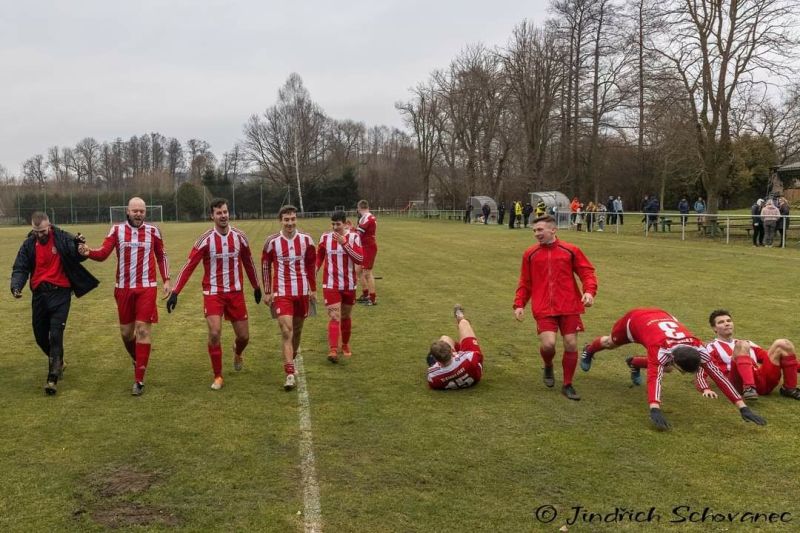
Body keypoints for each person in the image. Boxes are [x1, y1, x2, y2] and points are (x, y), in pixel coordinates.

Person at [580, 307, 766, 430]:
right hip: (636, 320)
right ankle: (589, 349)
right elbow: (654, 378)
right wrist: (655, 408)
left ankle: (634, 363)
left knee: (666, 367)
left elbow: (718, 376)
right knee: (610, 342)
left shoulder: (698, 347)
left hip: (663, 316)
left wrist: (742, 407)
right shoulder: (659, 349)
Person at [167, 198, 261, 390]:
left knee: (244, 337)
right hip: (213, 293)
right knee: (215, 332)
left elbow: (249, 263)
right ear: (212, 216)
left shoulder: (240, 237)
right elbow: (189, 266)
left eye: (225, 212)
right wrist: (176, 292)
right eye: (219, 213)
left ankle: (237, 352)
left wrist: (256, 286)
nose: (223, 215)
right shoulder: (205, 240)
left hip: (235, 293)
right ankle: (218, 376)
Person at [79, 197, 170, 396]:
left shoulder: (153, 231)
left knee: (142, 330)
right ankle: (137, 359)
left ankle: (139, 380)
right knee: (127, 334)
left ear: (145, 213)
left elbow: (161, 255)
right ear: (127, 212)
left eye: (142, 211)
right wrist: (88, 252)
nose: (138, 214)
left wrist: (167, 280)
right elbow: (103, 253)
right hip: (123, 289)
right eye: (135, 210)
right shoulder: (117, 230)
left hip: (147, 287)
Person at [10, 212, 99, 395]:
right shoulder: (28, 245)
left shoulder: (62, 237)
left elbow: (76, 252)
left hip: (61, 294)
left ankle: (52, 379)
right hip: (39, 296)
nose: (39, 235)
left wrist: (80, 247)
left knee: (56, 335)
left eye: (42, 231)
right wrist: (16, 286)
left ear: (49, 226)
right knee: (40, 336)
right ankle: (59, 360)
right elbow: (20, 267)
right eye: (36, 232)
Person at [513, 215, 597, 400]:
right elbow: (525, 282)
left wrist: (589, 292)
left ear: (553, 230)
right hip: (543, 307)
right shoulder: (530, 254)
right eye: (534, 231)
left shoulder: (571, 250)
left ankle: (567, 384)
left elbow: (586, 272)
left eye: (540, 230)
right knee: (548, 344)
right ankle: (548, 364)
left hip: (569, 305)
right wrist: (519, 304)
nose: (536, 234)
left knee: (571, 343)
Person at [262, 205, 317, 391]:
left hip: (301, 292)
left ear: (296, 220)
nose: (290, 223)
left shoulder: (307, 240)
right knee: (287, 330)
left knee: (298, 330)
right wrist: (268, 290)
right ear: (281, 221)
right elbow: (265, 265)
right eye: (286, 220)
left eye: (293, 219)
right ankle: (289, 373)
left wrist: (313, 288)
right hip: (282, 292)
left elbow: (311, 265)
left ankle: (290, 361)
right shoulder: (272, 242)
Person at [696, 310, 800, 400]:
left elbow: (769, 357)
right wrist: (705, 388)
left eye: (729, 321)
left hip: (761, 382)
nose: (727, 324)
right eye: (721, 322)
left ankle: (789, 389)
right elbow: (702, 370)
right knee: (741, 345)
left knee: (783, 343)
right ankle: (749, 387)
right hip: (737, 385)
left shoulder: (748, 343)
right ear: (714, 328)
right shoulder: (710, 347)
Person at [317, 210, 363, 362]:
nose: (335, 227)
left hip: (349, 284)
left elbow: (359, 258)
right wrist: (313, 273)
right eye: (333, 224)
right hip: (330, 284)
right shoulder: (325, 238)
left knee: (345, 316)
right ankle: (333, 350)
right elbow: (319, 258)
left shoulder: (354, 237)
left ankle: (345, 344)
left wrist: (345, 244)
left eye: (338, 224)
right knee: (334, 316)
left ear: (345, 223)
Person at [427, 305, 483, 390]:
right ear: (452, 352)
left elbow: (434, 382)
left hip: (456, 364)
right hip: (470, 368)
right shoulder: (470, 358)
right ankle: (460, 316)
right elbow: (478, 357)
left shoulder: (432, 376)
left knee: (445, 338)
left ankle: (459, 317)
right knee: (464, 323)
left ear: (436, 360)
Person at [355, 199, 379, 305]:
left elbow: (358, 234)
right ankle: (365, 294)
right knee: (358, 270)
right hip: (364, 246)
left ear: (359, 208)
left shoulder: (366, 218)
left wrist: (349, 231)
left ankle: (372, 298)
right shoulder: (368, 217)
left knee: (367, 273)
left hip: (368, 247)